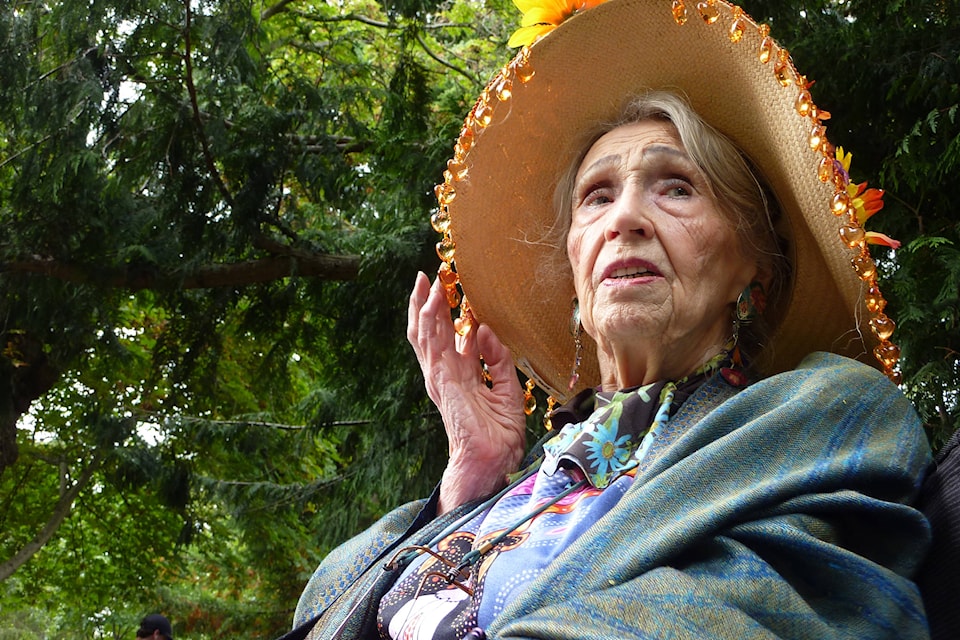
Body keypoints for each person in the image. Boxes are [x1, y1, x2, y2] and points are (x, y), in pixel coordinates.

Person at [286, 0, 932, 638]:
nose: (624, 219)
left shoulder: (820, 415)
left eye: (676, 186)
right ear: (574, 266)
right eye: (597, 196)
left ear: (754, 263)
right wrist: (468, 482)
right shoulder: (509, 487)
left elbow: (765, 610)